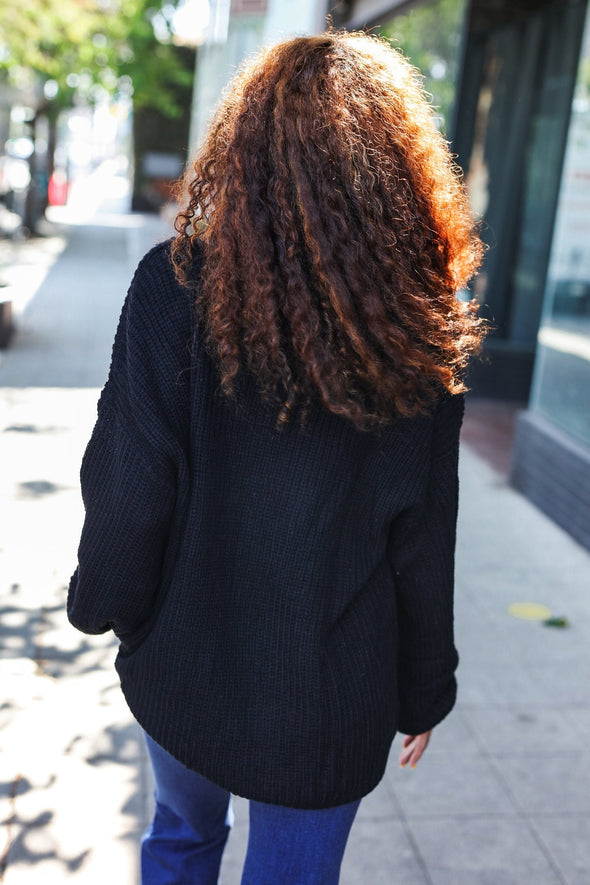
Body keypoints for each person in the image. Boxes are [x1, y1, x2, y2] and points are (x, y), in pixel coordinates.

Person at [68, 30, 485, 884]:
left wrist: (104, 603)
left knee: (181, 840)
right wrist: (423, 688)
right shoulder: (418, 337)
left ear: (244, 149)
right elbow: (422, 543)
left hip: (185, 663)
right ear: (400, 172)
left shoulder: (172, 289)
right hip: (328, 700)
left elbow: (129, 490)